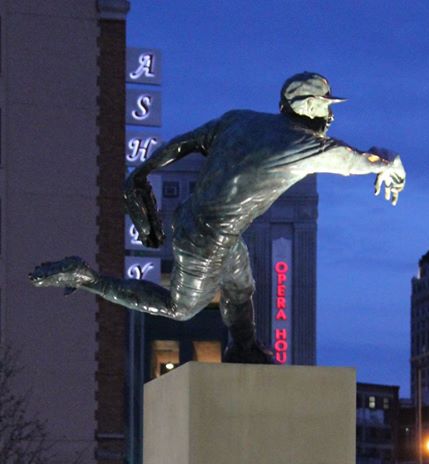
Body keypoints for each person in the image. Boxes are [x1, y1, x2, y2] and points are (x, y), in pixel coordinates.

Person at [30, 72, 406, 363]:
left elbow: (184, 143)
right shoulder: (305, 146)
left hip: (196, 220)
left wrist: (143, 171)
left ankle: (243, 348)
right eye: (326, 105)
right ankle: (85, 277)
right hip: (207, 239)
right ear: (307, 106)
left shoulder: (239, 120)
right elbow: (361, 161)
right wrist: (389, 165)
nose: (331, 113)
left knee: (241, 285)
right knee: (180, 310)